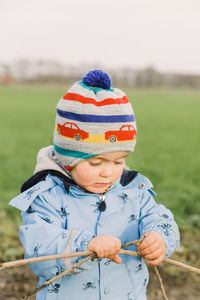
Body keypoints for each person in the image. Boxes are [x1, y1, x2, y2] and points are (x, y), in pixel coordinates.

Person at [9, 70, 180, 300]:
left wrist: (159, 237)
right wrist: (85, 245)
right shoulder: (47, 196)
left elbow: (159, 217)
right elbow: (40, 245)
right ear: (68, 160)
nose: (108, 172)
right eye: (95, 162)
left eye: (118, 161)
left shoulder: (133, 191)